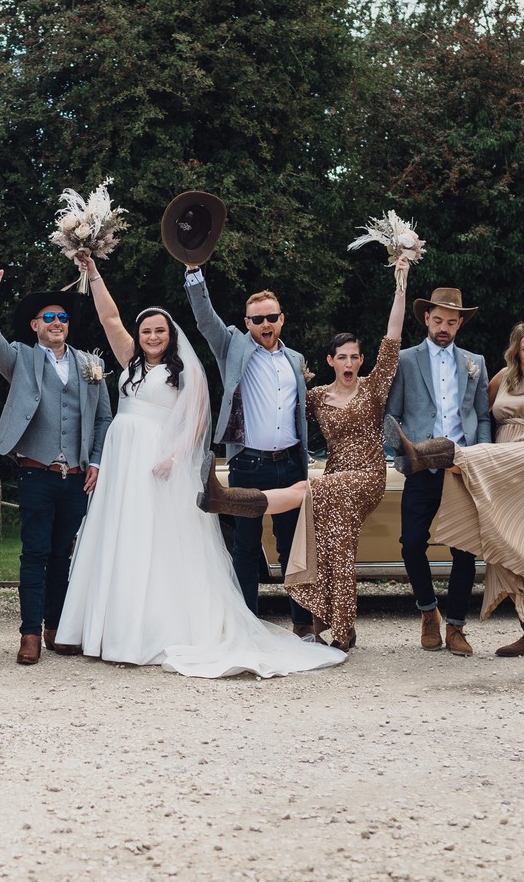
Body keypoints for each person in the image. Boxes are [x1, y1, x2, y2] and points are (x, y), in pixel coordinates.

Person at [53, 257, 346, 679]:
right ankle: (107, 629)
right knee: (121, 536)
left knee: (159, 542)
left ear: (171, 335)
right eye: (146, 330)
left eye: (160, 330)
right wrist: (94, 274)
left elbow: (196, 420)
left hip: (160, 461)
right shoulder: (130, 360)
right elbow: (109, 316)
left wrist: (173, 457)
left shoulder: (185, 370)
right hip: (123, 460)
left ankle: (154, 629)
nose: (152, 336)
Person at [396, 251, 524, 657]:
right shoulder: (500, 378)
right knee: (501, 541)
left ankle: (437, 454)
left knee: (469, 547)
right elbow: (480, 413)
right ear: (517, 352)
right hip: (495, 467)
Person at [0, 254, 114, 666]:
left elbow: (104, 417)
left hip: (76, 476)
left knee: (63, 554)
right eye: (48, 317)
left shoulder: (92, 365)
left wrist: (96, 462)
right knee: (34, 553)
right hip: (37, 473)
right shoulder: (20, 357)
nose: (57, 322)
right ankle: (29, 634)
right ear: (36, 325)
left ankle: (57, 627)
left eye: (62, 317)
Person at [283, 258, 410, 651]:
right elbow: (286, 419)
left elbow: (393, 337)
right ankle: (338, 628)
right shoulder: (317, 396)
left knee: (318, 493)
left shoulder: (373, 388)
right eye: (343, 357)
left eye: (355, 356)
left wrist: (401, 284)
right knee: (337, 542)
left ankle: (333, 622)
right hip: (336, 477)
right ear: (330, 362)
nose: (351, 363)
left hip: (368, 475)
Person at [184, 262, 316, 636]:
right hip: (249, 464)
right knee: (244, 545)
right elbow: (205, 319)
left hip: (290, 463)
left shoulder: (295, 361)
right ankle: (247, 625)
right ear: (246, 323)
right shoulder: (232, 346)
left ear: (282, 319)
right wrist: (194, 273)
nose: (265, 325)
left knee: (293, 545)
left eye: (271, 317)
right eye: (257, 320)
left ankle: (303, 624)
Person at [383, 286, 492, 656]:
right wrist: (400, 454)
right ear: (426, 319)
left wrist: (482, 454)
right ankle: (429, 613)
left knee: (464, 551)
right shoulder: (406, 360)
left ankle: (457, 627)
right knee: (412, 544)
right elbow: (392, 415)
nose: (443, 327)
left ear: (460, 323)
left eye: (451, 321)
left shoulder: (474, 361)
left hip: (461, 468)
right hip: (421, 468)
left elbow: (481, 414)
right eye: (437, 320)